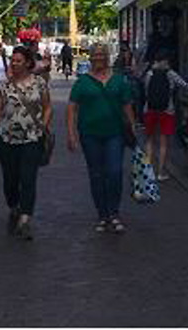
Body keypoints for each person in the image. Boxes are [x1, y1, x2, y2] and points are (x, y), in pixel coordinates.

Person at [0, 44, 51, 240]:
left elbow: (47, 107)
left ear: (28, 63)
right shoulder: (4, 86)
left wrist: (43, 126)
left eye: (19, 61)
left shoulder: (39, 83)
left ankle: (25, 218)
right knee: (10, 180)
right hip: (7, 139)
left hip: (32, 138)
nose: (14, 63)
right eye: (12, 60)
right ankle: (14, 205)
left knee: (28, 179)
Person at [67, 42, 139, 233]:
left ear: (107, 57)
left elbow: (127, 105)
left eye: (102, 55)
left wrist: (132, 128)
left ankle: (114, 212)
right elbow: (72, 108)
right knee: (96, 174)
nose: (99, 58)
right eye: (95, 55)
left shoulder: (119, 80)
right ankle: (102, 214)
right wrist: (71, 133)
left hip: (115, 133)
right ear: (90, 58)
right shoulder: (82, 82)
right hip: (90, 134)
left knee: (114, 172)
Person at [140, 54, 188, 181]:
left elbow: (145, 90)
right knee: (163, 142)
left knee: (149, 141)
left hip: (149, 109)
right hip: (167, 110)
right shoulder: (171, 74)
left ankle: (149, 173)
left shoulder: (149, 74)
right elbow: (185, 85)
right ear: (166, 61)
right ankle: (160, 173)